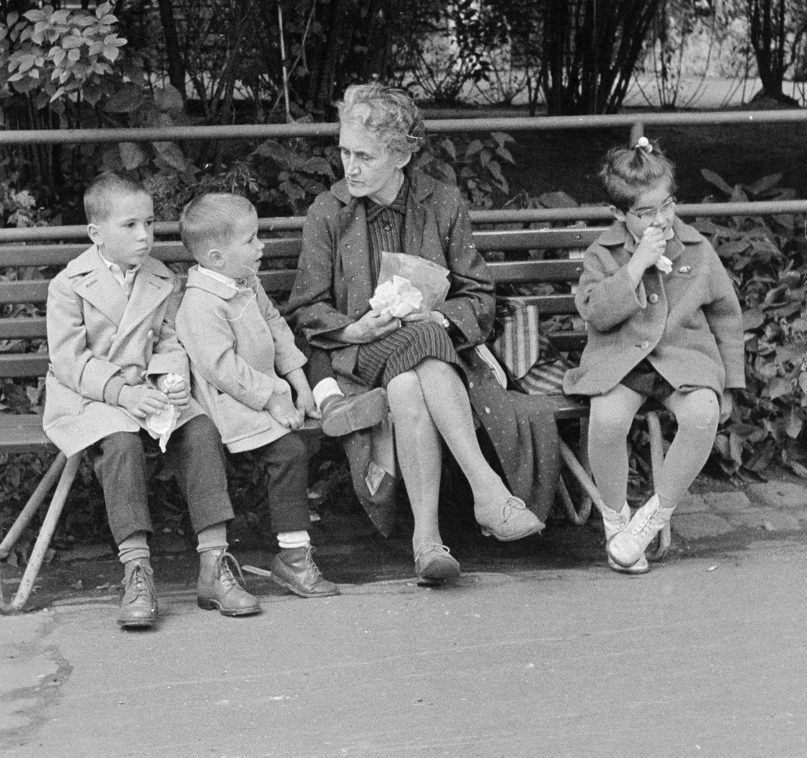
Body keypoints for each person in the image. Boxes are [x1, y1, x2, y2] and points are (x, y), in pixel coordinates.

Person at [289, 83, 544, 586]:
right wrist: (354, 326)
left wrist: (440, 317)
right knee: (424, 353)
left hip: (427, 355)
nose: (350, 167)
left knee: (411, 377)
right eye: (344, 151)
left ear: (403, 153)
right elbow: (305, 307)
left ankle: (426, 542)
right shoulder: (329, 211)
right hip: (355, 353)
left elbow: (478, 295)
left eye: (365, 155)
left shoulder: (442, 203)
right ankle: (488, 493)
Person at [43, 173, 259, 629]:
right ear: (96, 233)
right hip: (94, 396)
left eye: (149, 223)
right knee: (120, 442)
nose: (144, 236)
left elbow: (168, 340)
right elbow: (68, 361)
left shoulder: (161, 278)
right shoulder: (69, 284)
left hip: (148, 390)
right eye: (130, 226)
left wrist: (173, 379)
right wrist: (121, 391)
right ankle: (136, 570)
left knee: (200, 429)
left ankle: (214, 565)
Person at [564, 138, 746, 574]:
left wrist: (731, 384)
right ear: (619, 215)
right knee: (607, 421)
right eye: (646, 214)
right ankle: (615, 519)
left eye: (668, 206)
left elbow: (726, 315)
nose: (662, 220)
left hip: (682, 358)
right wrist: (635, 267)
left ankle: (652, 518)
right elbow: (594, 311)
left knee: (702, 413)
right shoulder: (602, 254)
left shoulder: (697, 249)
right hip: (620, 358)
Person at [174, 192, 340, 600]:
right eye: (250, 240)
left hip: (268, 394)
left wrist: (300, 385)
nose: (261, 245)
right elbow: (223, 370)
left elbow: (277, 327)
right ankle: (292, 558)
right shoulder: (200, 303)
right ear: (215, 258)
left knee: (297, 451)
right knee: (288, 453)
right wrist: (273, 399)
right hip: (229, 405)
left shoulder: (247, 282)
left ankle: (293, 557)